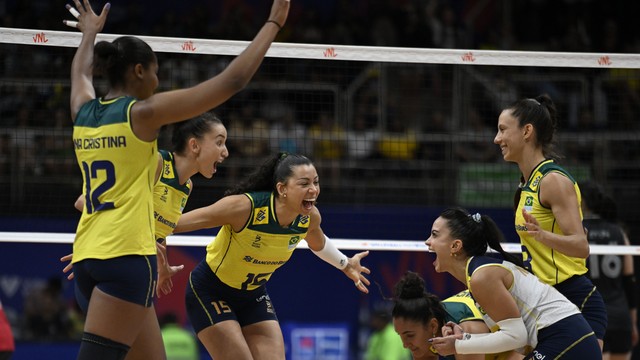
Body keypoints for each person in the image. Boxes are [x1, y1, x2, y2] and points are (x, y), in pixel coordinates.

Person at [64, 0, 289, 358]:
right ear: (139, 71)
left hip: (88, 254)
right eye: (155, 72)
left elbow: (80, 74)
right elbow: (232, 80)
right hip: (126, 260)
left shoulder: (82, 110)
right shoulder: (142, 115)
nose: (157, 81)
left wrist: (89, 33)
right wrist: (274, 23)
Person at [173, 152, 371, 360]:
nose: (313, 190)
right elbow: (174, 224)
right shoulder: (244, 208)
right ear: (282, 189)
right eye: (304, 184)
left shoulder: (309, 219)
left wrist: (345, 264)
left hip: (252, 296)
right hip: (210, 291)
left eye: (316, 182)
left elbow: (319, 244)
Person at [63, 112, 229, 359]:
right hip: (116, 268)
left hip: (137, 273)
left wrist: (160, 263)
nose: (225, 151)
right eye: (219, 142)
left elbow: (157, 230)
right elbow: (85, 202)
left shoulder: (186, 186)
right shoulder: (157, 163)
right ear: (194, 145)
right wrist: (98, 245)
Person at [493, 94, 607, 348]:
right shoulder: (526, 184)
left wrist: (543, 236)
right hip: (543, 299)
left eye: (502, 130)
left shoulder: (553, 180)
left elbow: (580, 246)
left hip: (573, 298)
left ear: (527, 131)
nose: (496, 139)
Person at [426, 207, 601, 358]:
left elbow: (516, 337)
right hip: (568, 339)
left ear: (455, 246)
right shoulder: (478, 274)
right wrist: (462, 339)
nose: (428, 242)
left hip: (565, 338)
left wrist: (458, 346)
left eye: (434, 235)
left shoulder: (482, 276)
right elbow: (512, 337)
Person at [391, 271, 520, 360]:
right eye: (401, 335)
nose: (405, 344)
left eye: (410, 335)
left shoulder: (467, 329)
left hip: (531, 332)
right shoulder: (427, 333)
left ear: (433, 325)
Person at [581, 180, 639, 360]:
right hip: (622, 319)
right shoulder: (619, 232)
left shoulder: (578, 233)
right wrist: (633, 323)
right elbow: (630, 282)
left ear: (582, 202)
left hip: (593, 317)